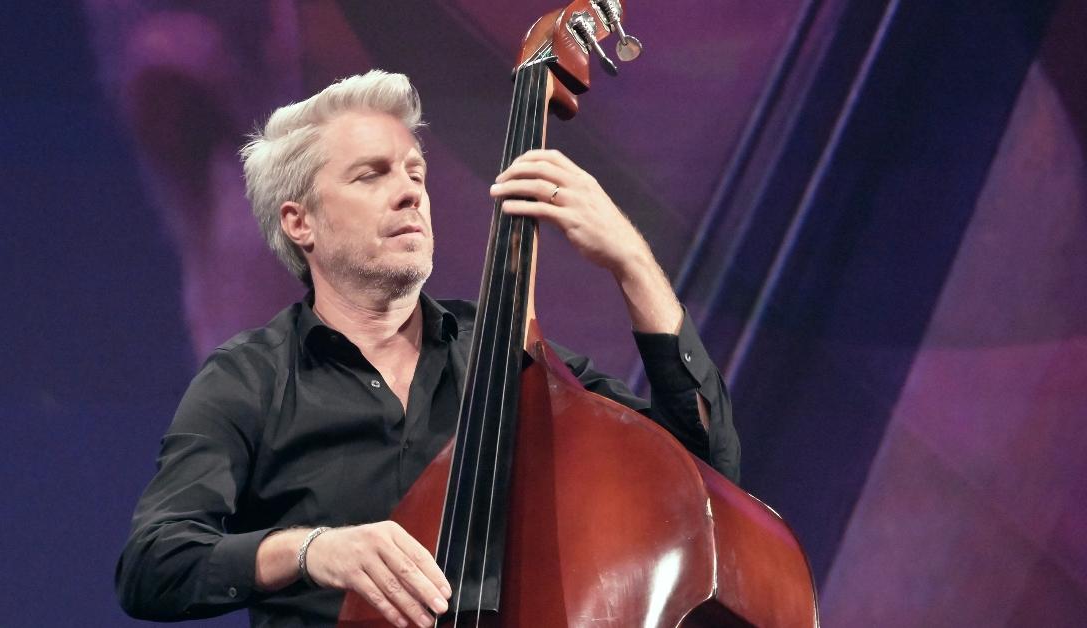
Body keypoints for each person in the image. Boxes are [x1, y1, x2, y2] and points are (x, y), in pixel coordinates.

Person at [116, 70, 739, 628]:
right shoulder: (250, 378)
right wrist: (314, 550)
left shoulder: (514, 361)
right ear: (298, 221)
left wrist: (631, 263)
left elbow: (704, 472)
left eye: (416, 172)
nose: (412, 192)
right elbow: (154, 564)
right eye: (372, 174)